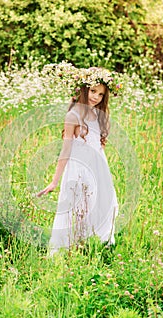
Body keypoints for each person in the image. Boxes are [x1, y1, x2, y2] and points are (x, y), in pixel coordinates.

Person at [37, 64, 121, 255]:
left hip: (98, 168)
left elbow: (98, 147)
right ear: (84, 89)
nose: (96, 97)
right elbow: (66, 150)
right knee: (76, 209)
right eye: (93, 91)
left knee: (105, 205)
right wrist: (54, 181)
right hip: (79, 169)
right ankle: (68, 250)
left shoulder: (97, 114)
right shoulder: (73, 115)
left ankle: (93, 248)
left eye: (100, 95)